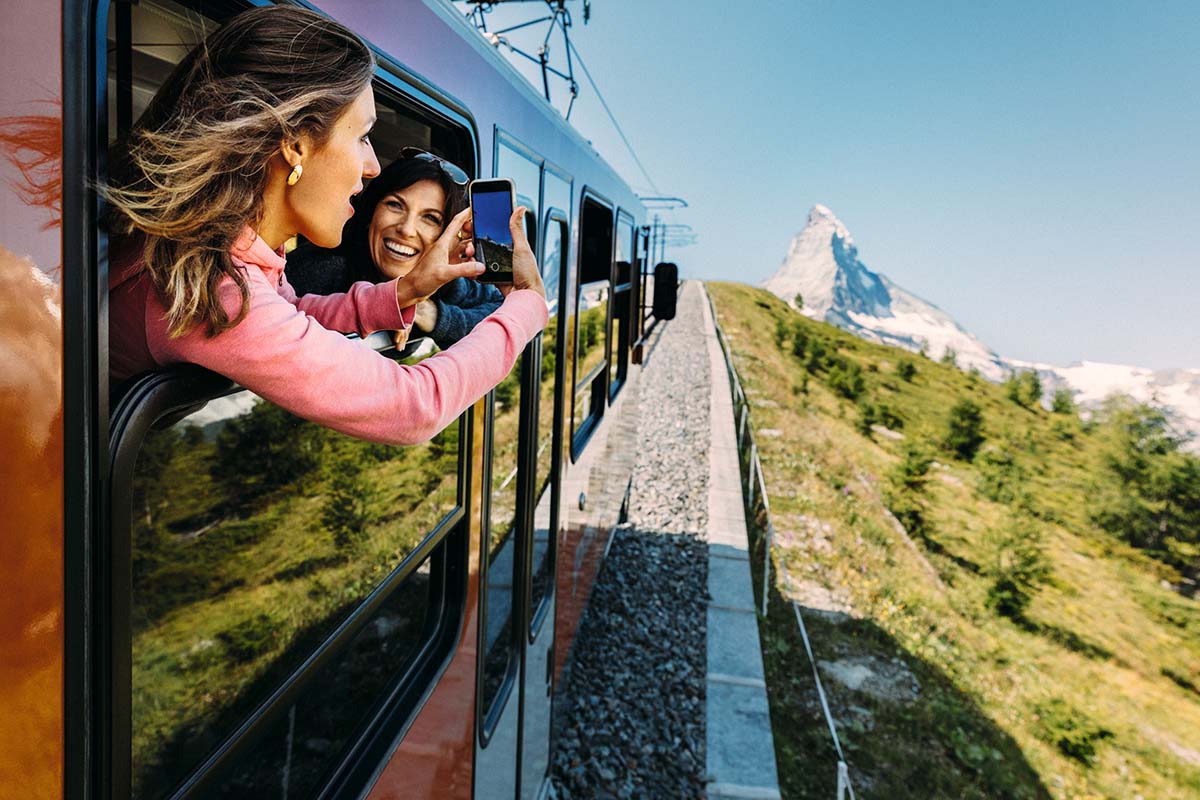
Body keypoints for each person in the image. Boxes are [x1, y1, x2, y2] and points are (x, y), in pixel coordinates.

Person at [105, 5, 546, 445]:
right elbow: (414, 405)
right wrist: (528, 304)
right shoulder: (217, 289)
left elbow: (294, 316)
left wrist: (406, 291)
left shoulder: (221, 250)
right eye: (362, 137)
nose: (373, 166)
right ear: (295, 144)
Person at [287, 149, 504, 350]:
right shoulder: (323, 268)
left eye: (430, 218)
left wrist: (432, 314)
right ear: (371, 211)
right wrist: (389, 304)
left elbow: (501, 310)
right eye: (395, 205)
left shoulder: (446, 283)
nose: (407, 229)